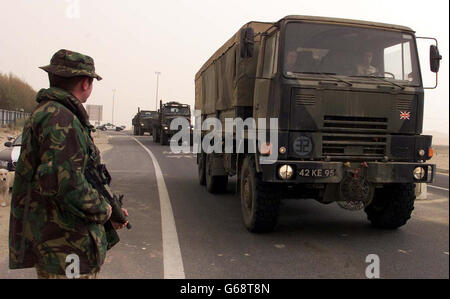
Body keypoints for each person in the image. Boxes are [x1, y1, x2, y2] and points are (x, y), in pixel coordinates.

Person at [9, 49, 128, 279]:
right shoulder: (61, 119)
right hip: (66, 247)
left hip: (61, 245)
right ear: (85, 83)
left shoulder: (52, 113)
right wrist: (106, 210)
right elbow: (68, 185)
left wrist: (108, 208)